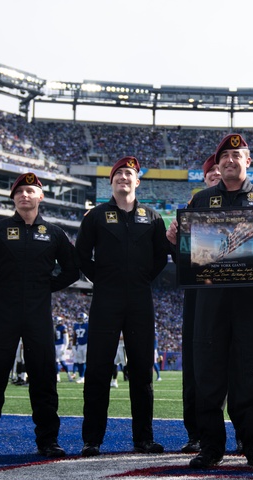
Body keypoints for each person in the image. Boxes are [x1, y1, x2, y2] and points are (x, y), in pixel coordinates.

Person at [166, 133, 253, 470]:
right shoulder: (201, 199)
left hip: (252, 303)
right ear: (218, 163)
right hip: (210, 303)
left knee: (252, 374)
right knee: (208, 375)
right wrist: (174, 241)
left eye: (236, 156)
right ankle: (210, 447)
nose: (229, 161)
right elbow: (189, 256)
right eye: (223, 156)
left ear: (248, 161)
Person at [0, 172, 80, 460]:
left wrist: (45, 287)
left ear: (40, 197)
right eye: (19, 192)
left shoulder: (54, 233)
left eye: (30, 191)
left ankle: (48, 441)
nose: (24, 195)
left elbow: (72, 270)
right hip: (3, 312)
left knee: (43, 378)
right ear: (13, 198)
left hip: (38, 314)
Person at [77, 156, 170, 456]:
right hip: (106, 299)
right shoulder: (95, 216)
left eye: (129, 174)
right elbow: (81, 255)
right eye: (118, 174)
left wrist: (142, 279)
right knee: (98, 370)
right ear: (111, 182)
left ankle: (143, 437)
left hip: (141, 299)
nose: (123, 178)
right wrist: (102, 280)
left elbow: (160, 258)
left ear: (137, 181)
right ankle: (92, 439)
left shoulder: (153, 217)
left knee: (142, 371)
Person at [179, 154, 221, 453]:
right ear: (205, 179)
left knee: (238, 366)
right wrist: (175, 238)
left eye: (221, 171)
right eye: (211, 174)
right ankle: (196, 433)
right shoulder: (194, 205)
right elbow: (181, 258)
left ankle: (246, 433)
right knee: (195, 367)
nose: (217, 176)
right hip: (199, 293)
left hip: (237, 292)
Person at [72, 312, 88, 383]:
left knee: (86, 361)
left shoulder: (88, 325)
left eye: (81, 318)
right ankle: (81, 377)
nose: (79, 320)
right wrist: (73, 345)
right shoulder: (76, 325)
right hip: (79, 345)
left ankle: (86, 376)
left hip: (86, 344)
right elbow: (75, 336)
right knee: (79, 361)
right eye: (79, 319)